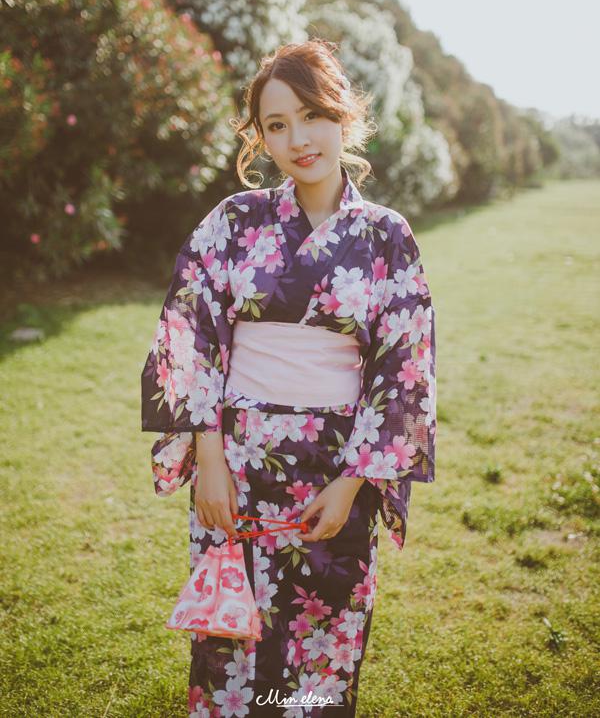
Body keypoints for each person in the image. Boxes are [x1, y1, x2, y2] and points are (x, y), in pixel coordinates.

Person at [141, 39, 437, 717]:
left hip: (337, 469)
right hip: (236, 464)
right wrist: (208, 462)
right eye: (277, 125)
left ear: (343, 115)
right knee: (232, 637)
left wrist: (353, 481)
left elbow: (403, 365)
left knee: (322, 644)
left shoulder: (386, 236)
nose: (299, 139)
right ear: (260, 138)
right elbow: (189, 336)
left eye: (312, 115)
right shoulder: (232, 222)